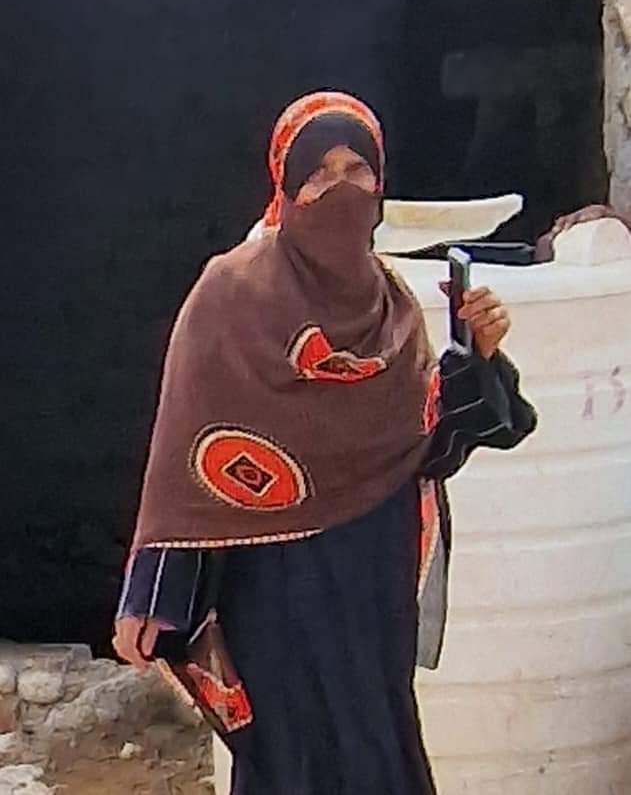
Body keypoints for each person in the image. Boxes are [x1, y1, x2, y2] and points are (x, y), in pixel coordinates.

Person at [113, 91, 537, 795]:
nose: (340, 188)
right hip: (273, 581)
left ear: (380, 182)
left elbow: (425, 444)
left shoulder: (390, 304)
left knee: (376, 737)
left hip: (374, 569)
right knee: (288, 750)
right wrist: (154, 592)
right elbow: (190, 453)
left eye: (357, 169)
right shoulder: (230, 293)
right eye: (319, 172)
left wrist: (480, 357)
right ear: (285, 185)